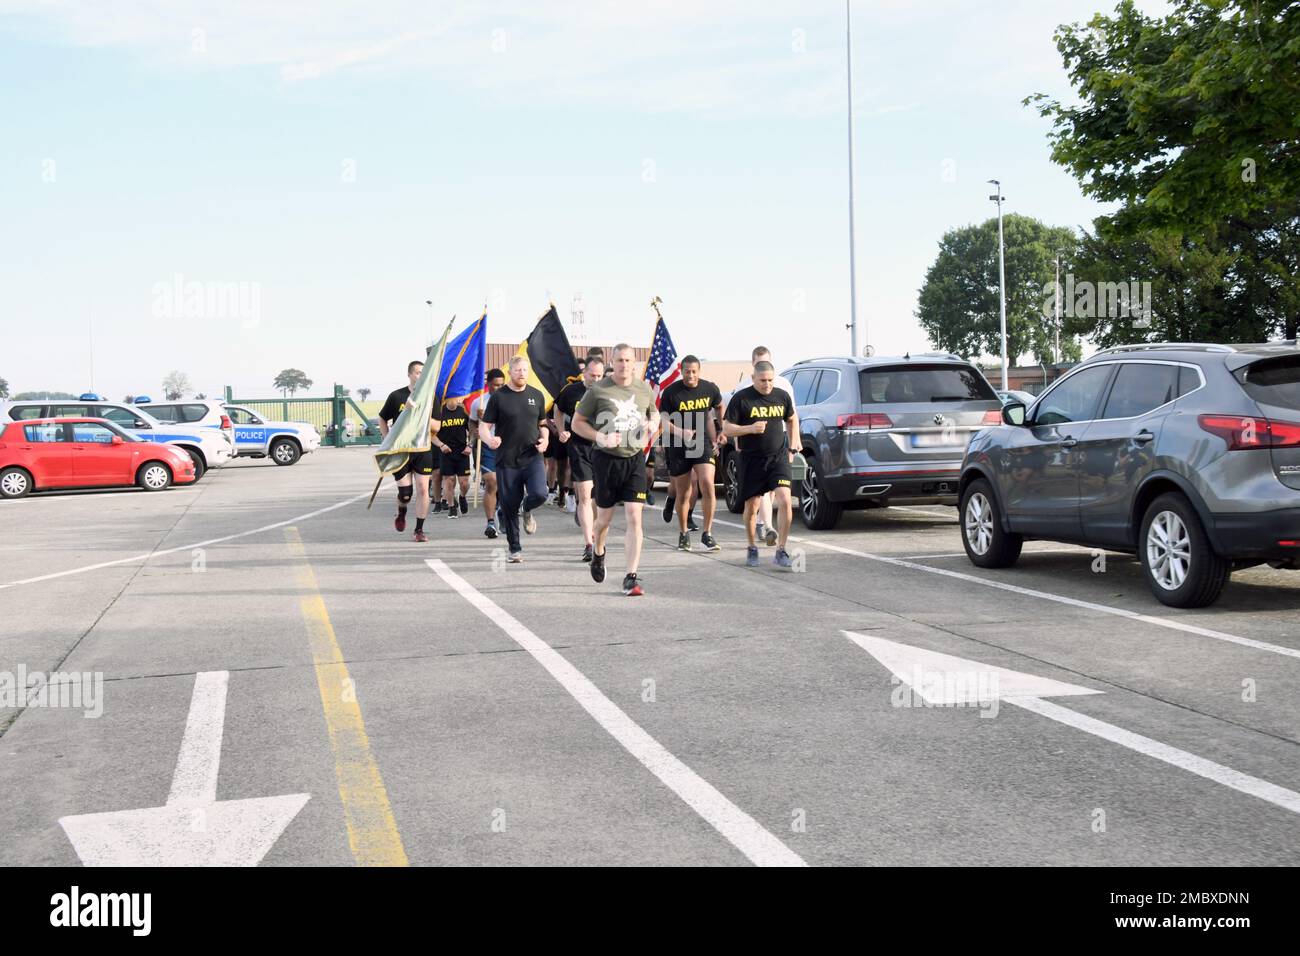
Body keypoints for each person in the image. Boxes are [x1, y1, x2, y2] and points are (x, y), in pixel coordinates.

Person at [572, 344, 659, 596]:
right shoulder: (598, 390)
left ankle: (631, 576)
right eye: (619, 360)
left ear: (635, 363)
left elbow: (652, 413)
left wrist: (652, 422)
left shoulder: (643, 389)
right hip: (606, 460)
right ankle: (598, 552)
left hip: (634, 460)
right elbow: (578, 423)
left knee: (634, 515)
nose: (624, 365)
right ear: (612, 361)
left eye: (628, 360)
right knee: (604, 521)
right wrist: (600, 437)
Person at [723, 360, 802, 569]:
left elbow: (792, 419)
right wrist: (749, 429)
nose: (767, 384)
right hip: (751, 460)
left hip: (777, 458)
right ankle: (751, 547)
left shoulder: (781, 396)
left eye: (770, 380)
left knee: (785, 499)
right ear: (753, 378)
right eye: (762, 380)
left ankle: (781, 549)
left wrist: (793, 445)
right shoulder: (742, 399)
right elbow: (727, 429)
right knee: (752, 506)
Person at [479, 356, 549, 562]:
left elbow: (543, 424)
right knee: (509, 504)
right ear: (510, 372)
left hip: (532, 457)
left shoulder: (536, 396)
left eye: (525, 370)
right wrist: (489, 440)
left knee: (540, 494)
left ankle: (526, 508)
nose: (521, 374)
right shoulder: (499, 397)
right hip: (507, 459)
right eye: (517, 370)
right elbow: (484, 426)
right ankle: (515, 548)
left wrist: (544, 440)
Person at [658, 355, 723, 552]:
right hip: (678, 443)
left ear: (699, 371)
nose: (691, 375)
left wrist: (721, 432)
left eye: (694, 371)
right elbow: (663, 422)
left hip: (701, 442)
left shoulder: (709, 389)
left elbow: (719, 407)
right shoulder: (671, 393)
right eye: (687, 371)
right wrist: (680, 432)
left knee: (707, 484)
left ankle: (707, 534)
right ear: (682, 371)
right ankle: (683, 532)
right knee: (684, 492)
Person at [377, 359, 440, 543]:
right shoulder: (397, 396)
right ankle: (402, 511)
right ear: (410, 374)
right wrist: (387, 438)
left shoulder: (431, 397)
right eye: (418, 372)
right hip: (401, 450)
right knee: (405, 494)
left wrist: (424, 411)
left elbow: (437, 426)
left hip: (422, 448)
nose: (421, 376)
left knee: (422, 489)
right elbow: (382, 418)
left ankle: (419, 529)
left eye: (423, 372)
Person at [554, 356, 603, 561]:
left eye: (600, 375)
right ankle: (589, 543)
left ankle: (593, 527)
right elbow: (558, 410)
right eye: (593, 375)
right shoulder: (571, 392)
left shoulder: (609, 392)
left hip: (603, 449)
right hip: (579, 448)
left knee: (598, 500)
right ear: (584, 373)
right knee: (584, 496)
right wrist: (561, 430)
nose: (597, 379)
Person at [468, 368, 505, 538]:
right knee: (492, 481)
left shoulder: (509, 399)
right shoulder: (479, 403)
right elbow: (472, 423)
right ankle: (490, 523)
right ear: (488, 385)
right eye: (496, 385)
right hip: (487, 447)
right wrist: (476, 431)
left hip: (507, 447)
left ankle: (502, 512)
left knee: (506, 485)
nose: (499, 388)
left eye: (501, 384)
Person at [435, 396, 472, 517]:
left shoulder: (463, 411)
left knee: (464, 483)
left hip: (462, 452)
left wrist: (470, 445)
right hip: (446, 452)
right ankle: (452, 507)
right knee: (449, 481)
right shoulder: (439, 414)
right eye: (452, 397)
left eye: (457, 398)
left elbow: (473, 431)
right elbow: (431, 434)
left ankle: (462, 497)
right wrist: (441, 445)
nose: (455, 400)